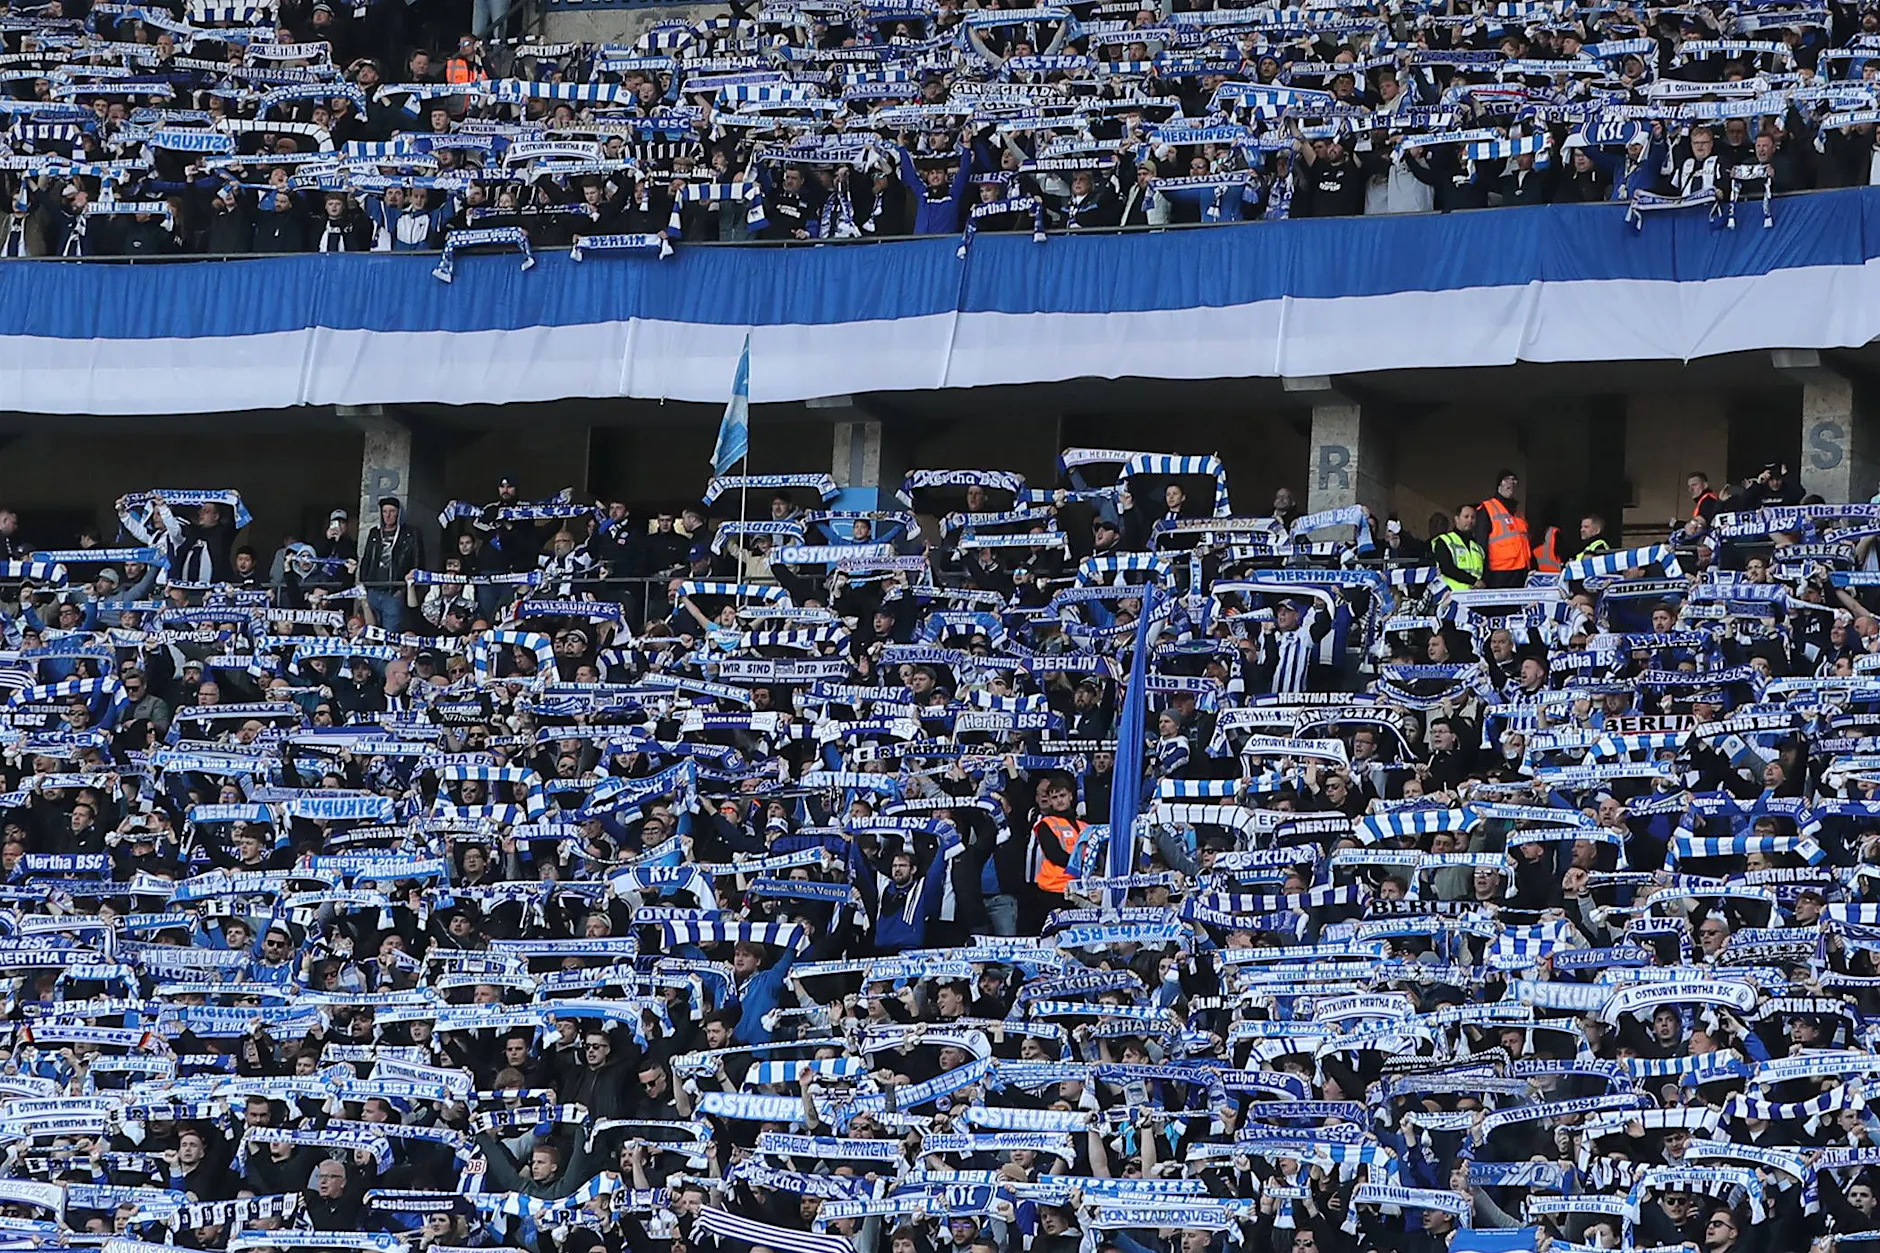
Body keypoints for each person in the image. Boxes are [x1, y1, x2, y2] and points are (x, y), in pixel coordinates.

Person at [1475, 470, 1531, 588]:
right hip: (1498, 574)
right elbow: (1481, 544)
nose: (1511, 483)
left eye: (1514, 481)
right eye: (1507, 480)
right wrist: (1484, 576)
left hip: (1521, 573)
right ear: (1499, 484)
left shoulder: (1518, 514)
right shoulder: (1487, 508)